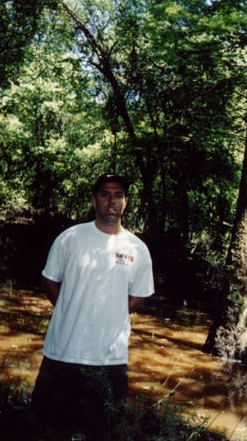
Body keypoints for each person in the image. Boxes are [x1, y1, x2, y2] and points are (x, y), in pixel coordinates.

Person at [31, 173, 154, 439]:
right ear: (94, 200)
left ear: (126, 201)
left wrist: (107, 312)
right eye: (105, 194)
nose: (112, 200)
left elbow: (139, 297)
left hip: (110, 358)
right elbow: (50, 282)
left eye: (118, 194)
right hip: (62, 352)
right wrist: (73, 308)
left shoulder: (137, 248)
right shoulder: (70, 238)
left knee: (104, 431)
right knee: (49, 428)